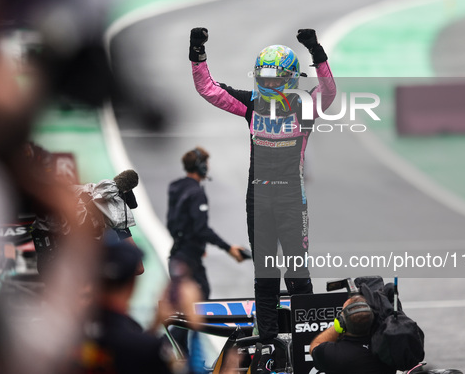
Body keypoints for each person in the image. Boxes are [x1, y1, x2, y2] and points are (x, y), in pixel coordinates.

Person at [189, 26, 336, 366]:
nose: (268, 84)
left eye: (274, 78)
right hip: (257, 199)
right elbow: (208, 89)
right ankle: (269, 343)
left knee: (298, 274)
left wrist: (316, 51)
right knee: (265, 274)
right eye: (263, 78)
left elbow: (329, 90)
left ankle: (310, 345)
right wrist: (198, 52)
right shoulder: (251, 104)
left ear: (288, 78)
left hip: (291, 200)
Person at [73, 230, 201, 374]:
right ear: (132, 284)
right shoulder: (147, 348)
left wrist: (153, 327)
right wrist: (194, 326)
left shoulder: (61, 336)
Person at [167, 147, 246, 300]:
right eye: (206, 163)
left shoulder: (175, 187)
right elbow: (201, 228)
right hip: (189, 260)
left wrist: (195, 245)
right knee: (200, 299)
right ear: (201, 166)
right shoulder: (197, 193)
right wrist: (228, 248)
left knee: (184, 302)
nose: (208, 167)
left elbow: (173, 222)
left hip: (177, 255)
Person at [309, 295, 395, 374]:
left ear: (341, 323)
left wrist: (338, 324)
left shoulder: (331, 353)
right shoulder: (390, 351)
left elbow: (315, 345)